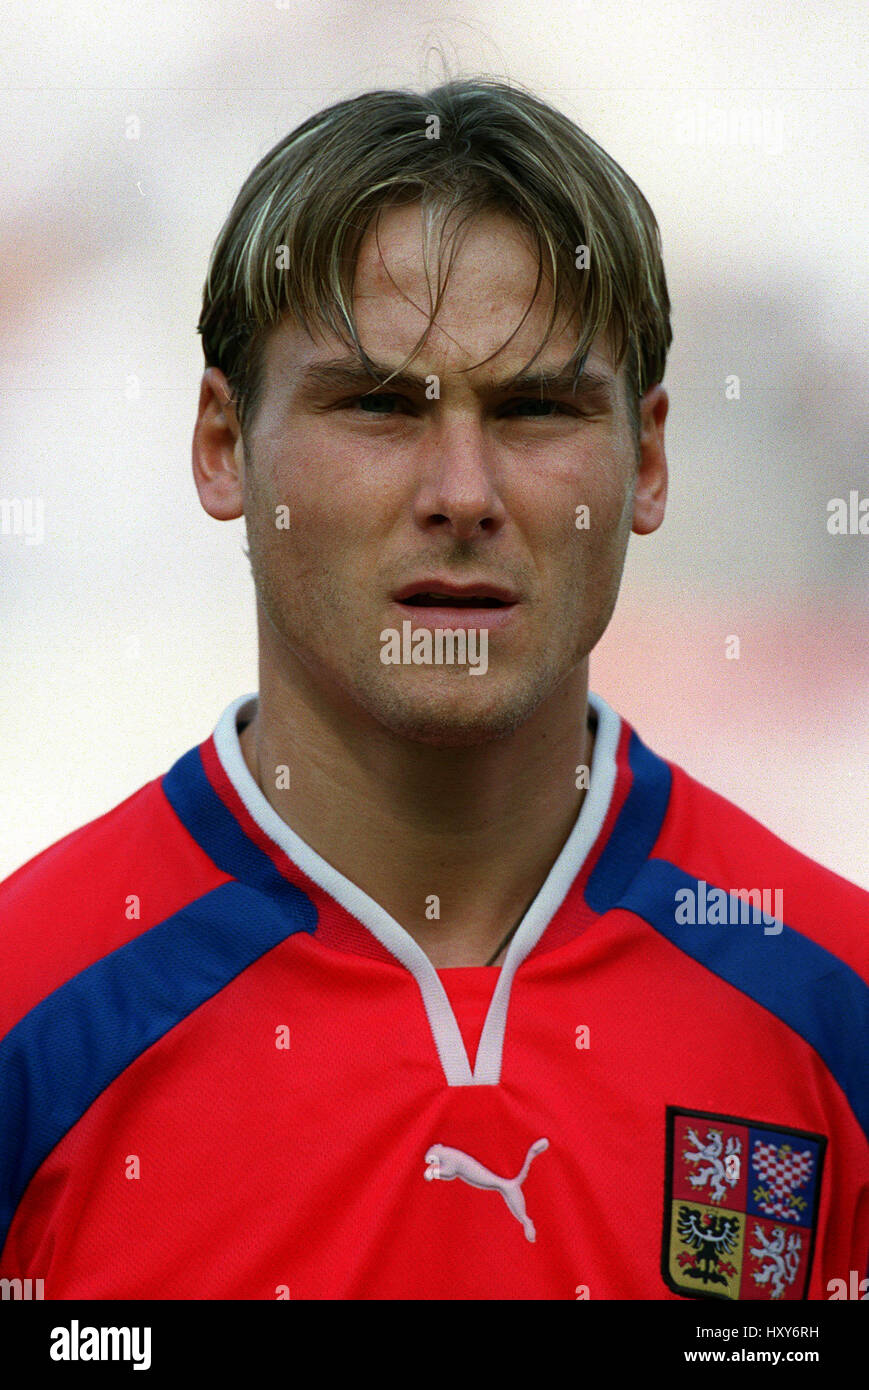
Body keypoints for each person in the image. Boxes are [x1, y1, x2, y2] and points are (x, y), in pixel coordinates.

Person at [0, 77, 865, 1302]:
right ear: (219, 445)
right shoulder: (28, 1013)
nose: (462, 489)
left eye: (533, 408)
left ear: (650, 459)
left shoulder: (836, 1003)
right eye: (376, 406)